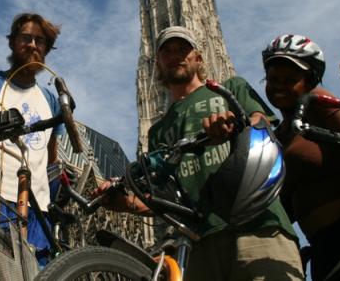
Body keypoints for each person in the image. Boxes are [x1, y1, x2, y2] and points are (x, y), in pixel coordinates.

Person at [95, 26, 304, 281]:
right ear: (156, 64)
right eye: (167, 51)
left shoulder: (230, 89)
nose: (176, 56)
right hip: (198, 245)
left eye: (183, 49)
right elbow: (164, 199)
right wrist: (126, 204)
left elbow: (263, 123)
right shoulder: (158, 131)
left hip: (256, 229)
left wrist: (236, 122)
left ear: (198, 57)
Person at [262, 33, 340, 281]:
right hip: (319, 247)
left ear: (308, 82)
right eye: (273, 79)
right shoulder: (278, 136)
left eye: (290, 79)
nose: (279, 86)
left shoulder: (321, 104)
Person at [0, 13, 64, 265]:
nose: (32, 45)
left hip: (38, 210)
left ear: (46, 50)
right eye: (26, 38)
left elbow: (51, 157)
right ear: (12, 42)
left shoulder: (52, 100)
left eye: (40, 41)